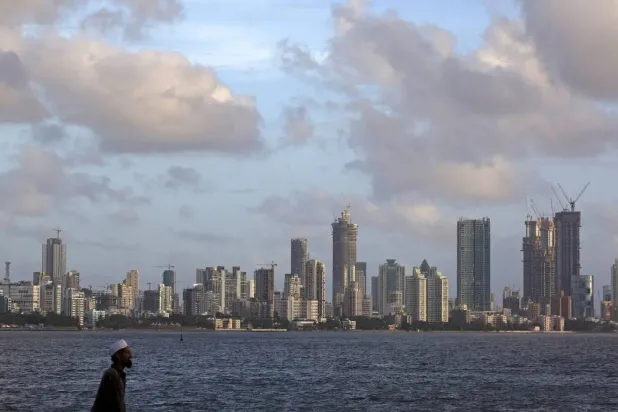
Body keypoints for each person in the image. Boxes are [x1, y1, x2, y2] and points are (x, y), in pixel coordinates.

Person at [91, 339, 133, 412]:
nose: (131, 356)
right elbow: (116, 406)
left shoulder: (117, 374)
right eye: (127, 352)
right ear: (118, 355)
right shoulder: (112, 375)